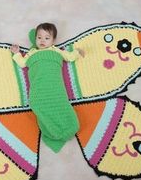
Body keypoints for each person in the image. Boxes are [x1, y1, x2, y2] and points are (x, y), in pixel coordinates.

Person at [10, 23, 85, 152]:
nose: (42, 41)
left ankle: (67, 126)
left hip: (55, 86)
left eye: (47, 38)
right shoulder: (31, 53)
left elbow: (70, 57)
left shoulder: (56, 50)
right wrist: (16, 54)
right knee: (37, 103)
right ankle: (53, 129)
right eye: (39, 37)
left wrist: (77, 52)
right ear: (35, 39)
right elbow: (22, 63)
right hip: (39, 87)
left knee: (59, 103)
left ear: (53, 40)